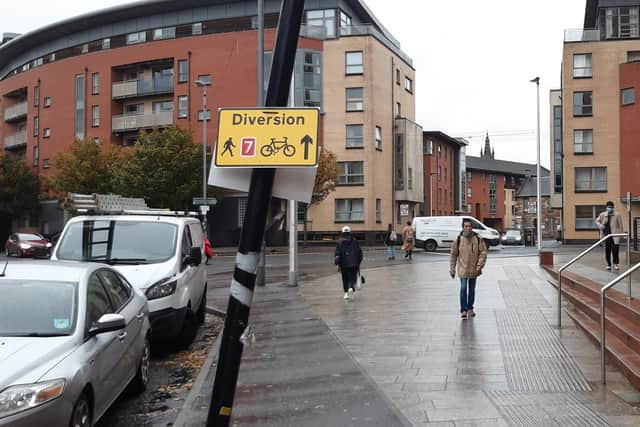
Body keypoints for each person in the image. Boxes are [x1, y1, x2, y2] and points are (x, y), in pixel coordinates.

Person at [449, 218, 488, 319]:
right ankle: (463, 310)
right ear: (463, 227)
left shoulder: (477, 238)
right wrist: (452, 269)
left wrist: (479, 265)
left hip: (474, 269)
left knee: (471, 290)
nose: (468, 228)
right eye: (466, 226)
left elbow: (483, 253)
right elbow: (453, 255)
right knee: (463, 288)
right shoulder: (458, 239)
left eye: (470, 226)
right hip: (462, 268)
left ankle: (470, 308)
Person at [335, 226, 363, 300]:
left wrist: (337, 262)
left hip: (344, 264)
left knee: (344, 278)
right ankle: (351, 286)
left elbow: (337, 253)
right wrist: (358, 262)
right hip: (354, 263)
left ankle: (346, 293)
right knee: (352, 275)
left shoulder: (340, 242)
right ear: (350, 233)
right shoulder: (355, 241)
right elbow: (360, 252)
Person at [596, 201, 625, 270]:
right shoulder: (602, 214)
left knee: (615, 250)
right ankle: (609, 264)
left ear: (613, 207)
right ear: (606, 207)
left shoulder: (617, 215)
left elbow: (620, 225)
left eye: (611, 207)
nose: (610, 208)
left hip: (615, 235)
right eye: (608, 207)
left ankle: (616, 264)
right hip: (606, 235)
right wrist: (600, 226)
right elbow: (597, 221)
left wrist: (621, 235)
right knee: (607, 250)